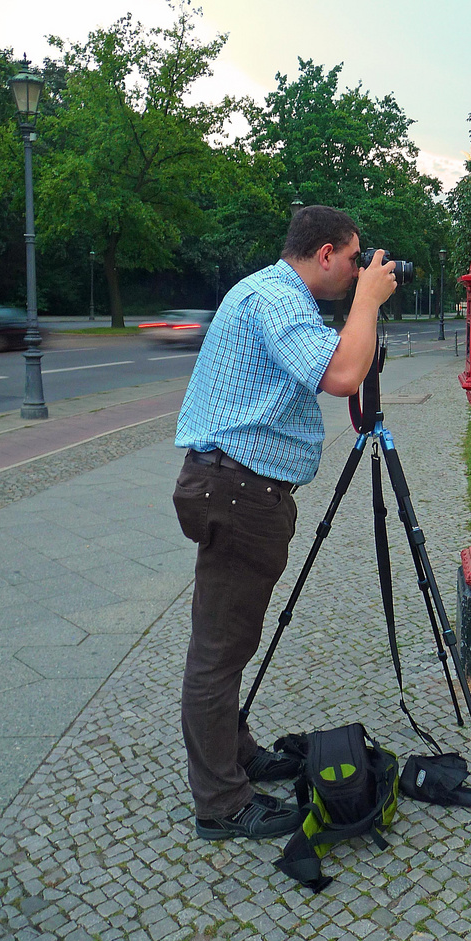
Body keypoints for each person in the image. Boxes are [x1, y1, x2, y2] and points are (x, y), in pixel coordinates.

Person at [172, 205, 396, 841]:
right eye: (355, 260)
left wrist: (364, 310)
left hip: (237, 488)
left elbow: (340, 370)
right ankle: (221, 802)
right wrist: (372, 302)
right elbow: (343, 373)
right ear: (325, 253)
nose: (359, 272)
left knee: (233, 636)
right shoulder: (279, 300)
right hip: (238, 491)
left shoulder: (271, 295)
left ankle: (236, 752)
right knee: (218, 650)